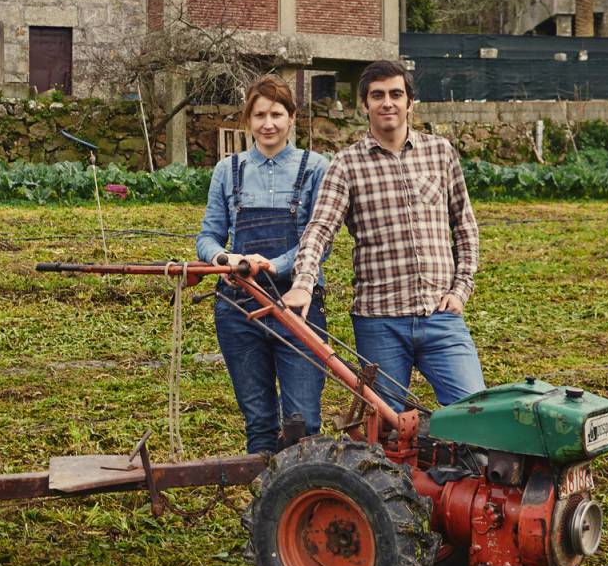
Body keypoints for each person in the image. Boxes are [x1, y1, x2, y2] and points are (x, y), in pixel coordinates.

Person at [281, 60, 486, 412]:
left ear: (410, 102)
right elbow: (320, 230)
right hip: (380, 322)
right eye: (377, 96)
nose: (387, 103)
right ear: (365, 105)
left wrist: (461, 288)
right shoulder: (346, 164)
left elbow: (465, 226)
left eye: (396, 94)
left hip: (440, 317)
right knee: (387, 425)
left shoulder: (440, 153)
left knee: (474, 412)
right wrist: (303, 282)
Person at [196, 74, 330, 455]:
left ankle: (302, 487)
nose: (267, 124)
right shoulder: (228, 170)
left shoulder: (315, 168)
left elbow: (320, 241)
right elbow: (207, 238)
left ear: (292, 117)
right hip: (239, 308)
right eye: (259, 115)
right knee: (258, 421)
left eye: (276, 114)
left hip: (298, 303)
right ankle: (263, 488)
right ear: (248, 120)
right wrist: (228, 259)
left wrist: (271, 264)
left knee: (303, 421)